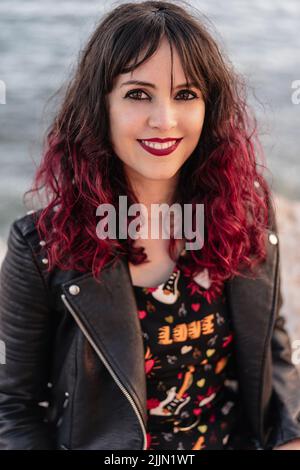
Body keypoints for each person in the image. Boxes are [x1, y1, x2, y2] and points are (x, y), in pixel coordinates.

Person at [0, 0, 300, 450]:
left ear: (209, 106)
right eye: (138, 94)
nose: (165, 120)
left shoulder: (246, 211)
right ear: (99, 105)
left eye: (186, 95)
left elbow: (274, 354)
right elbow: (15, 407)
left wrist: (289, 437)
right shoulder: (42, 245)